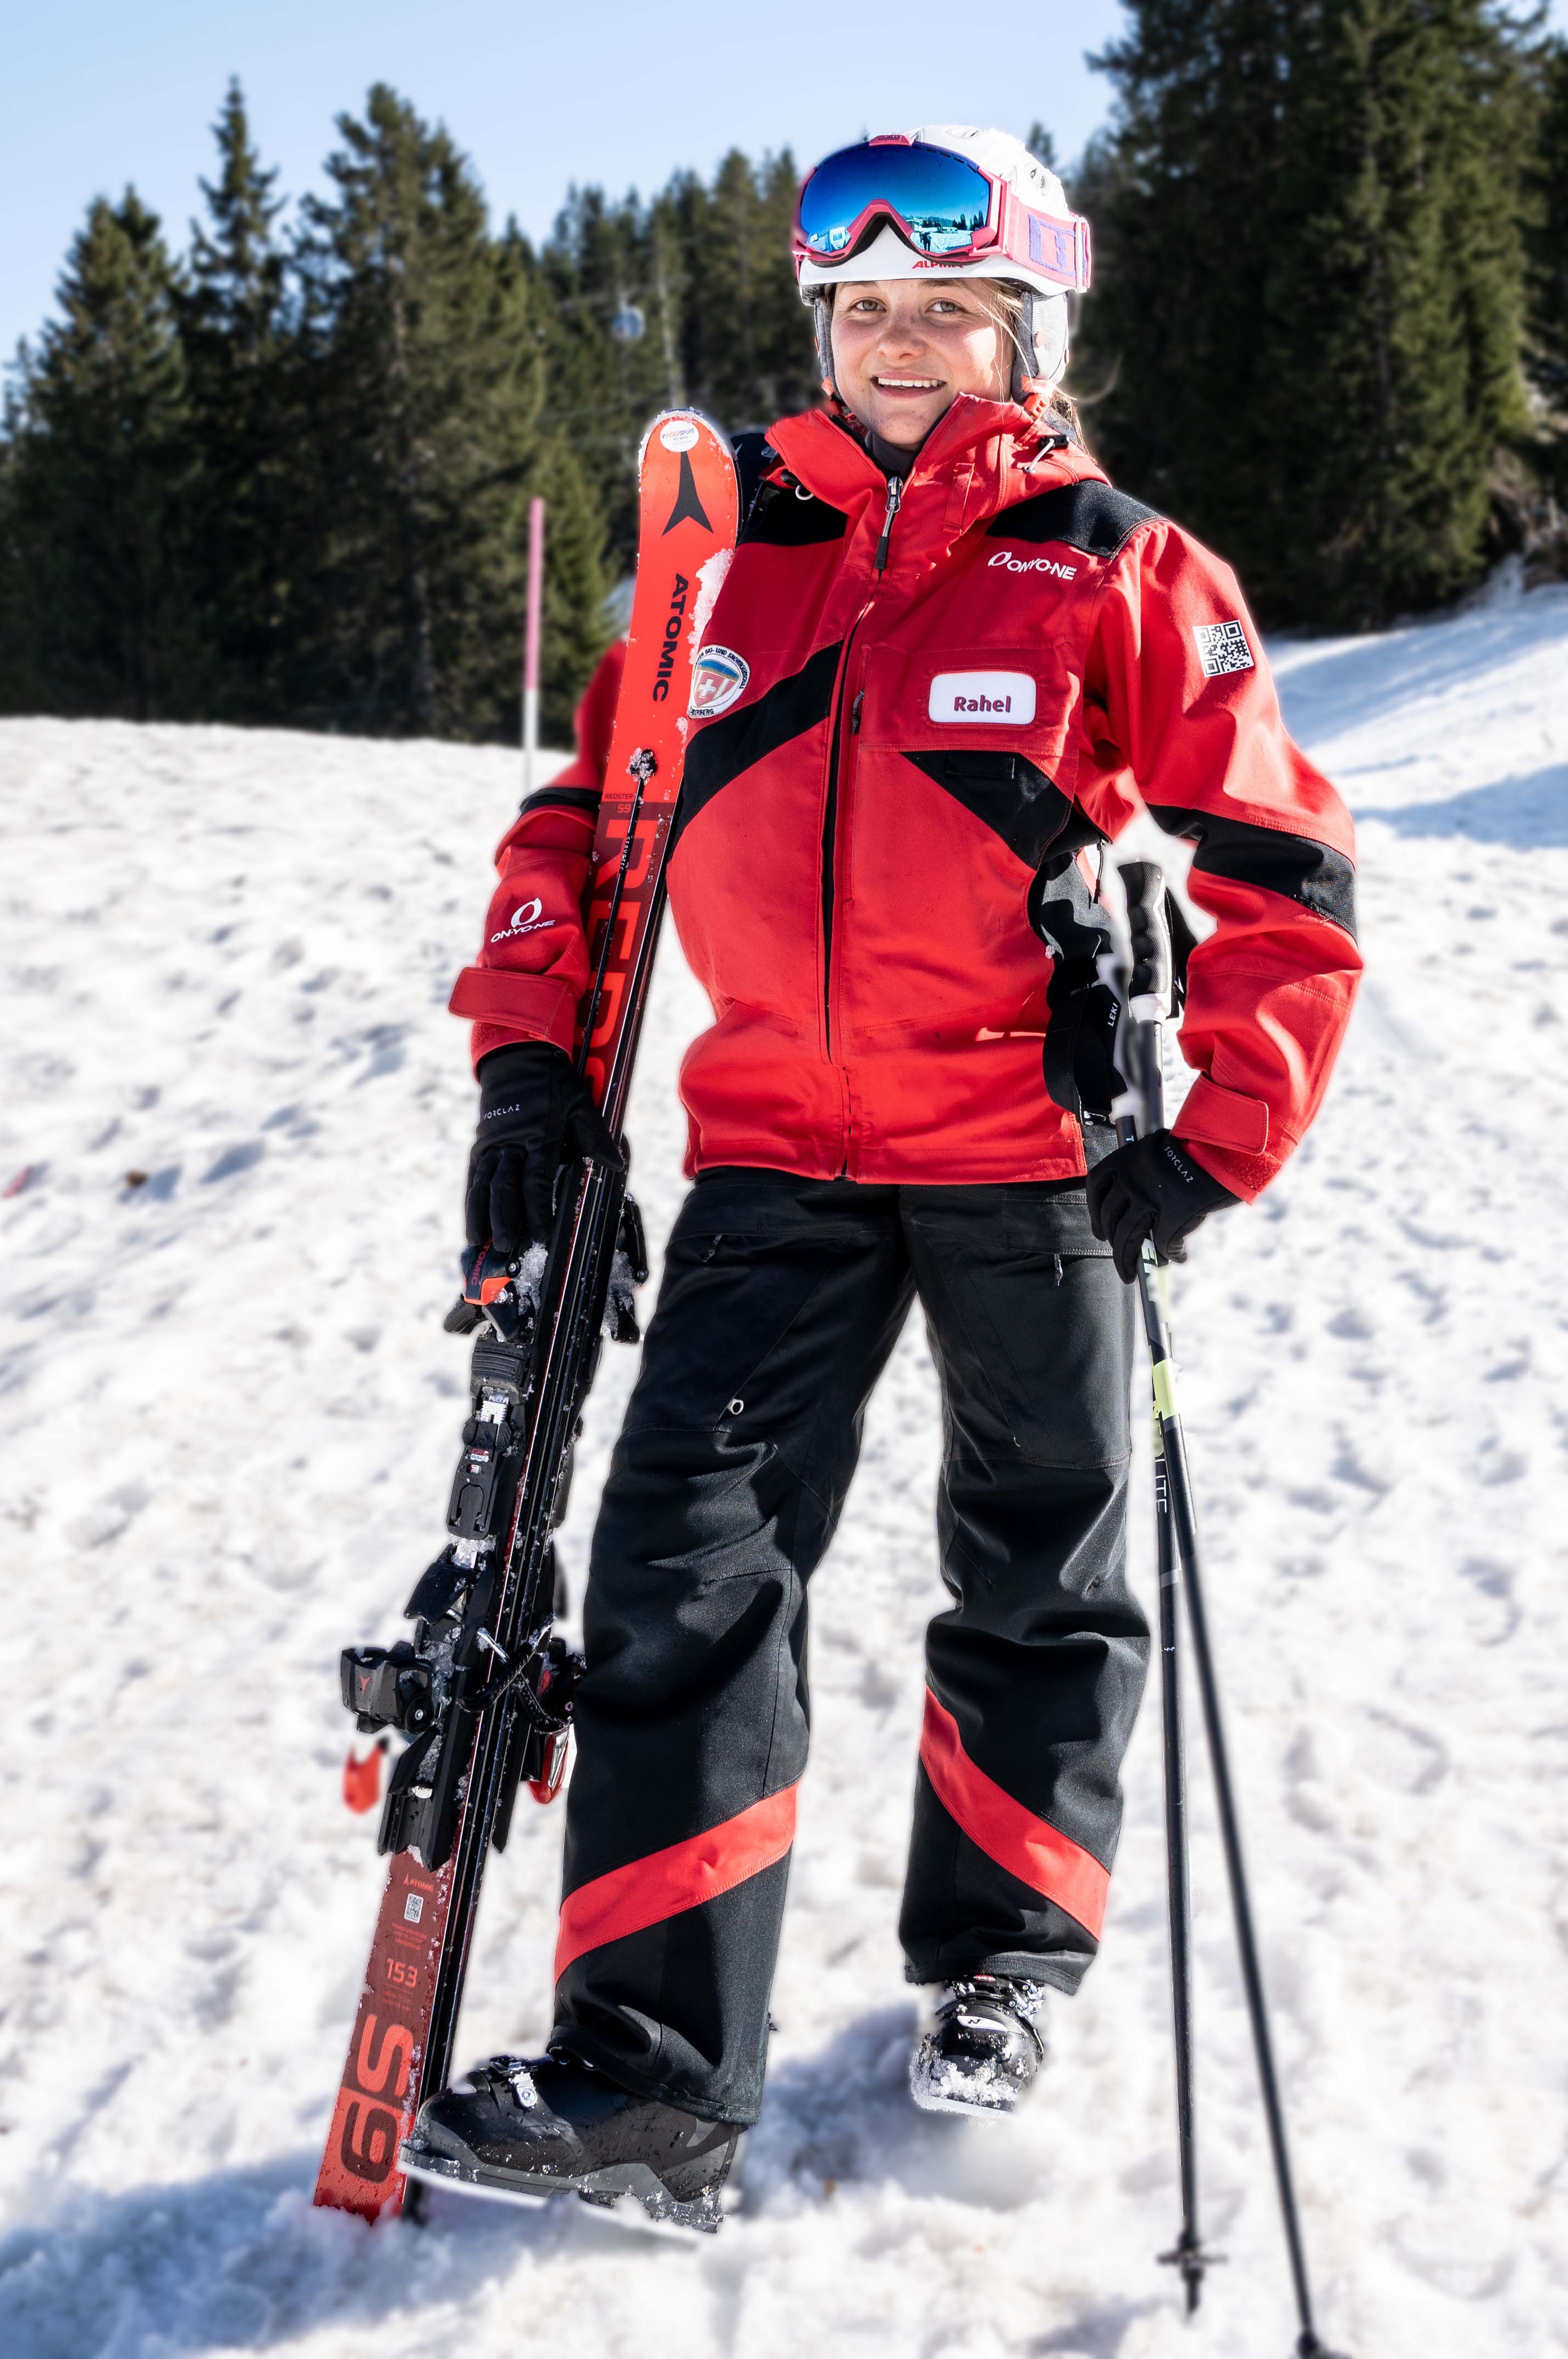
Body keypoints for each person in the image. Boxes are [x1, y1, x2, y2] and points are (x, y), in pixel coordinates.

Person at [404, 126, 1362, 2229]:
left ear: (1022, 333)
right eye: (866, 311)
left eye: (948, 310)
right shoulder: (710, 557)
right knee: (681, 1574)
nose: (903, 345)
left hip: (1032, 1157)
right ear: (822, 326)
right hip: (770, 1150)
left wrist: (1218, 1133)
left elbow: (1286, 860)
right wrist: (528, 1074)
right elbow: (586, 836)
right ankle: (654, 2079)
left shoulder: (1111, 558)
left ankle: (1002, 1963)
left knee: (1037, 1561)